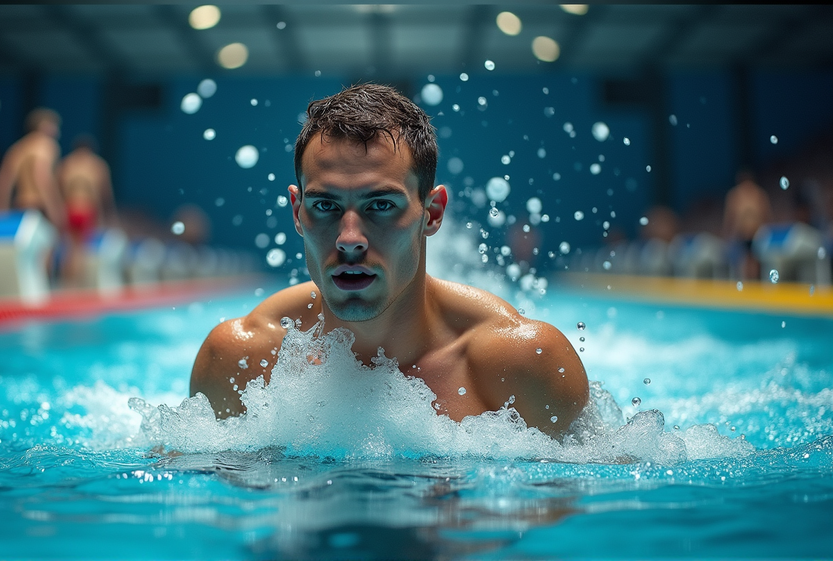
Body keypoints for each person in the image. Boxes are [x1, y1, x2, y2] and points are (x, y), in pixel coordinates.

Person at [190, 84, 588, 437]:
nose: (349, 239)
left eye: (380, 205)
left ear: (432, 213)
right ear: (297, 212)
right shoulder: (239, 359)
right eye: (325, 205)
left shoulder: (523, 364)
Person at [56, 134, 115, 285]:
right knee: (82, 249)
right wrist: (108, 215)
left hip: (69, 208)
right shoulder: (97, 165)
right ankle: (77, 283)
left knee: (69, 248)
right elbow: (105, 194)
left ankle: (66, 281)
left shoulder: (66, 164)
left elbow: (58, 190)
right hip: (87, 209)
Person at [0, 108, 64, 228]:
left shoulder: (18, 148)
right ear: (44, 125)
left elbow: (3, 181)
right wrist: (54, 208)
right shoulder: (46, 144)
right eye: (54, 125)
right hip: (40, 205)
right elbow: (41, 176)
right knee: (45, 245)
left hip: (21, 204)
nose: (58, 131)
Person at [722, 170, 772, 280]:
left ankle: (755, 283)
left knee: (755, 263)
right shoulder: (735, 196)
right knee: (744, 263)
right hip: (742, 235)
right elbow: (729, 218)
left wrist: (767, 234)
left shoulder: (759, 194)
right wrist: (728, 236)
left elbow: (766, 215)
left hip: (756, 234)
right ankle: (747, 284)